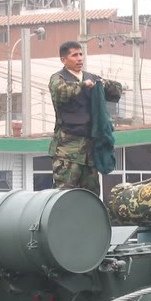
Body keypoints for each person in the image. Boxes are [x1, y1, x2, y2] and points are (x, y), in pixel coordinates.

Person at [48, 41, 122, 195]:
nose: (79, 58)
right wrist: (83, 85)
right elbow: (61, 92)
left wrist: (103, 83)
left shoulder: (91, 77)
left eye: (81, 54)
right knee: (64, 194)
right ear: (63, 59)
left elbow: (116, 92)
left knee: (91, 195)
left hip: (90, 151)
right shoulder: (58, 78)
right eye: (74, 55)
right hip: (67, 150)